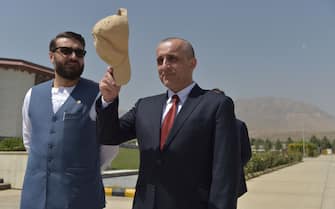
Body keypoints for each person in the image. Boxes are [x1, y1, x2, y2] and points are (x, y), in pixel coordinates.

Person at [96, 37, 241, 209]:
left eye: (172, 58)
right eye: (160, 60)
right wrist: (109, 100)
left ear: (192, 63)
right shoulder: (145, 106)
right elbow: (109, 136)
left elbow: (224, 173)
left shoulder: (216, 105)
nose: (164, 65)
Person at [20, 31, 118, 209]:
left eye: (79, 53)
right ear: (51, 56)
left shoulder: (98, 95)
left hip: (79, 198)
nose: (74, 56)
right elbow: (29, 140)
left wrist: (82, 170)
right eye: (66, 51)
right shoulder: (32, 94)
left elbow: (109, 146)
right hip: (34, 198)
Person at [236, 119, 252, 197]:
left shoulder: (207, 123)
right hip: (234, 180)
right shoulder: (239, 125)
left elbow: (246, 154)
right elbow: (247, 154)